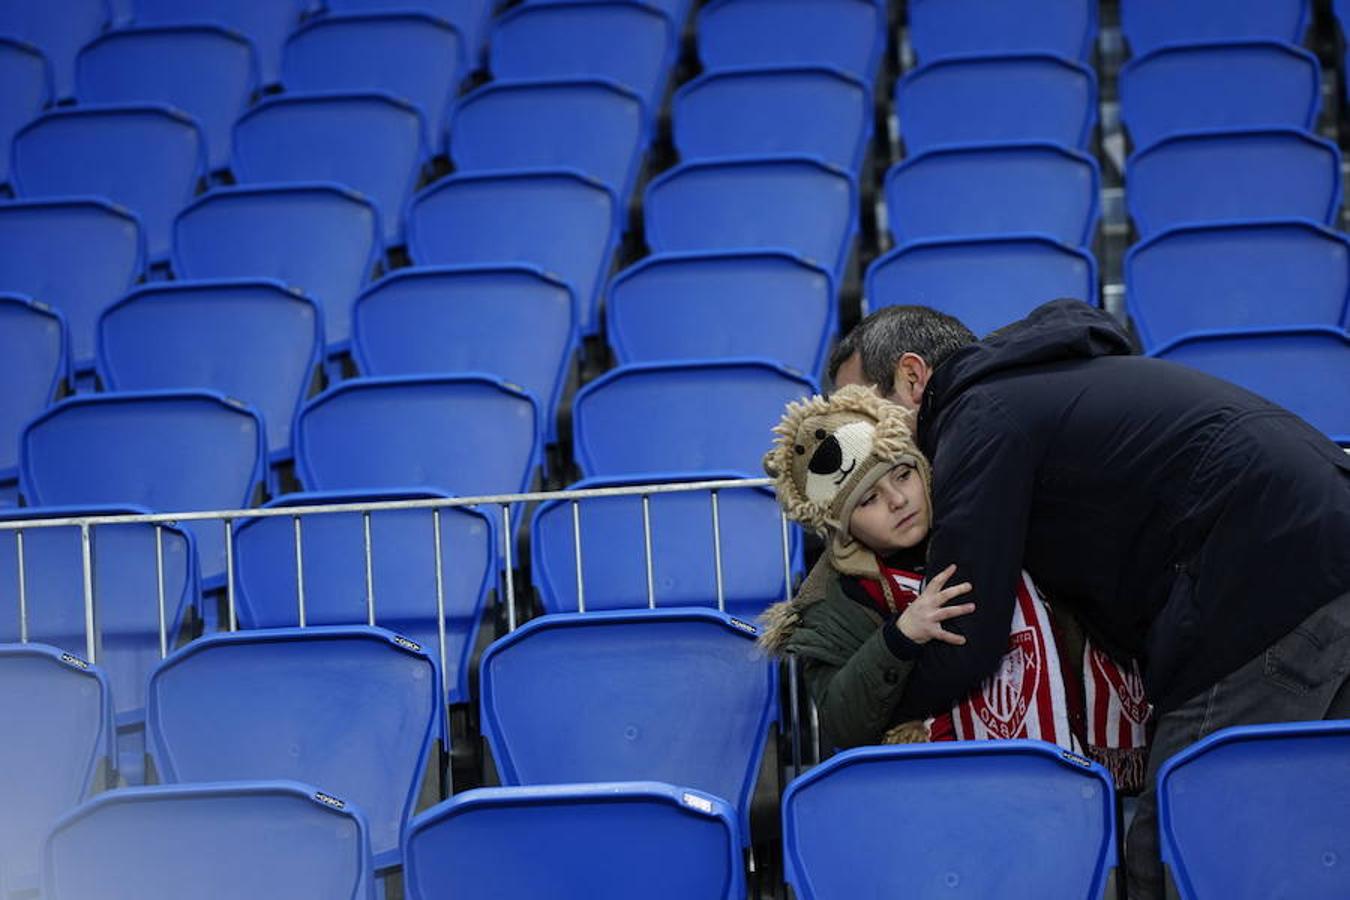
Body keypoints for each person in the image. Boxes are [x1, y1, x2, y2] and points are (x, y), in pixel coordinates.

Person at [829, 298, 1350, 898]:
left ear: (913, 378)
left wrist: (884, 707)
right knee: (1315, 839)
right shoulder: (1039, 384)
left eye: (863, 410)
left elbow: (968, 635)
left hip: (1263, 584)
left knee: (1176, 854)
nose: (859, 440)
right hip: (1318, 546)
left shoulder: (979, 417)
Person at [758, 385, 1148, 775]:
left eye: (904, 474)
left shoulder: (983, 516)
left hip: (1070, 762)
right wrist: (899, 638)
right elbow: (844, 724)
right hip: (938, 784)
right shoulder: (830, 601)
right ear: (840, 527)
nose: (898, 500)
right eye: (868, 500)